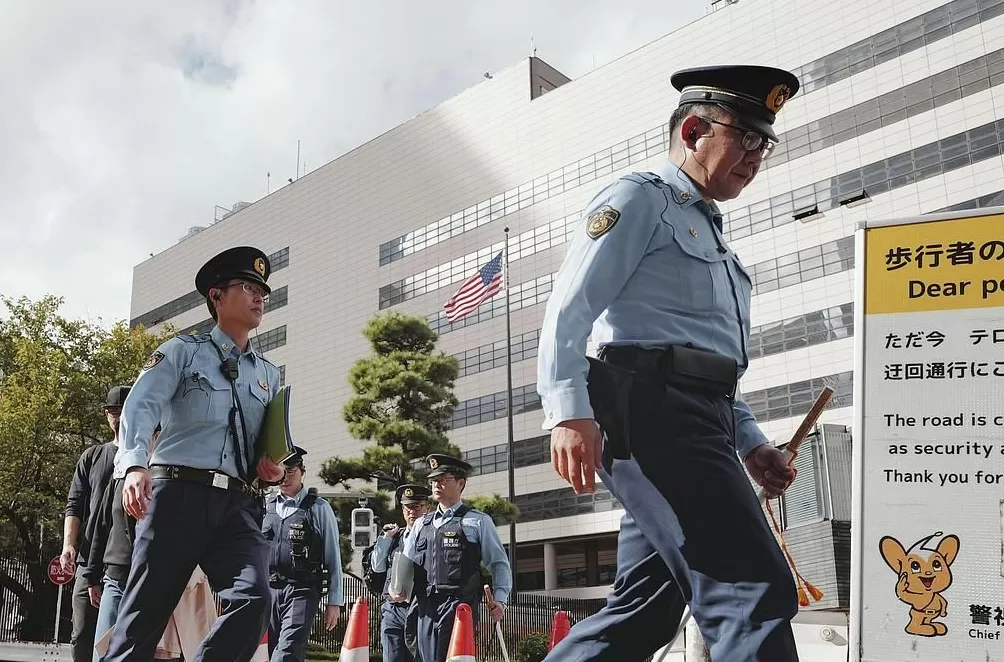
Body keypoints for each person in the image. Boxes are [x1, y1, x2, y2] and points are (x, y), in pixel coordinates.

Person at [536, 65, 804, 662]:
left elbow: (708, 364)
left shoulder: (710, 229)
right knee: (749, 589)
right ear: (692, 131)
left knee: (643, 612)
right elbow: (568, 308)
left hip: (696, 418)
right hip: (653, 414)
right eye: (747, 137)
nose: (756, 156)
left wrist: (752, 442)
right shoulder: (640, 198)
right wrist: (568, 412)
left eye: (766, 143)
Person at [103, 245, 286, 662]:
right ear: (216, 296)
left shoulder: (268, 374)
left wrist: (271, 469)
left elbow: (266, 444)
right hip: (177, 496)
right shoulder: (182, 351)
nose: (259, 297)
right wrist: (134, 465)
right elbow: (140, 407)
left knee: (256, 598)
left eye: (262, 291)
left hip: (237, 503)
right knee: (143, 617)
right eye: (248, 287)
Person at [393, 454, 512, 662]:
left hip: (459, 605)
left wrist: (500, 599)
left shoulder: (477, 521)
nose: (436, 485)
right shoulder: (421, 524)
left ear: (461, 483)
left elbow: (498, 563)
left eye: (442, 479)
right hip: (426, 606)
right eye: (433, 480)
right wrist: (398, 587)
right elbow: (407, 559)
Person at [61, 385, 130, 662]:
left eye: (123, 410)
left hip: (126, 561)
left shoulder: (146, 458)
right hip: (90, 558)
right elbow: (74, 504)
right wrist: (69, 545)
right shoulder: (93, 456)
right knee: (82, 634)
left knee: (119, 638)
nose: (118, 416)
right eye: (113, 411)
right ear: (106, 415)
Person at [263, 446, 344, 662]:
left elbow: (333, 556)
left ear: (302, 472)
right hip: (269, 589)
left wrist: (334, 601)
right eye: (280, 472)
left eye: (291, 472)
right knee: (272, 650)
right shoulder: (266, 505)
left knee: (286, 651)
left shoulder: (318, 508)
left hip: (302, 589)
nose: (285, 478)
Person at [370, 483, 432, 662]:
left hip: (421, 608)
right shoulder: (395, 536)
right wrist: (385, 539)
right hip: (393, 609)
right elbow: (378, 568)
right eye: (407, 508)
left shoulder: (433, 537)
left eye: (416, 507)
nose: (412, 512)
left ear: (427, 508)